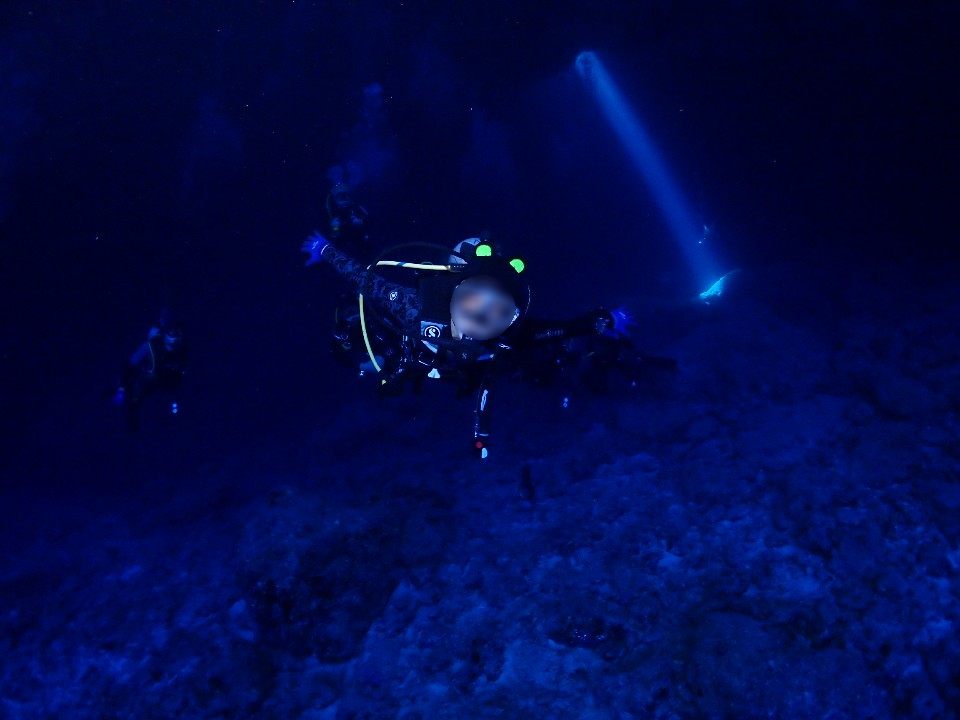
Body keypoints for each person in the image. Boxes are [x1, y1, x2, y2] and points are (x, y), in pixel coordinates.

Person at [302, 232, 672, 458]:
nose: (481, 317)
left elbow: (562, 329)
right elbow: (364, 280)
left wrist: (602, 321)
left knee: (513, 365)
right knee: (382, 363)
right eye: (473, 300)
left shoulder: (507, 337)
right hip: (416, 359)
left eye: (500, 312)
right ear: (453, 294)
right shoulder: (414, 307)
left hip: (466, 373)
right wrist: (325, 249)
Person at [114, 315, 188, 431]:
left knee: (171, 401)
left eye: (179, 335)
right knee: (136, 396)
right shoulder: (149, 347)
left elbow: (180, 378)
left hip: (165, 384)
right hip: (147, 381)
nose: (174, 339)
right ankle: (132, 414)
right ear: (164, 335)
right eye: (172, 333)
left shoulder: (181, 354)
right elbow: (130, 367)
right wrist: (121, 389)